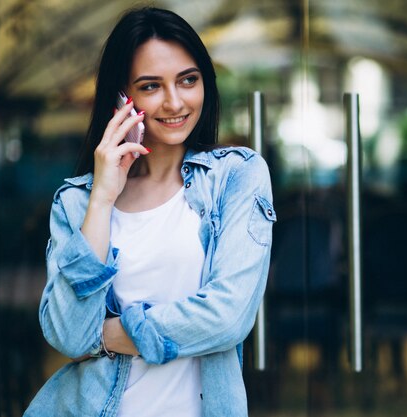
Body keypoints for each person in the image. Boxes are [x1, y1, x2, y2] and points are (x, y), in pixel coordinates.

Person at [24, 6, 276, 417]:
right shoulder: (77, 202)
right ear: (123, 98)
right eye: (151, 85)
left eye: (187, 80)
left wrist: (106, 335)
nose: (175, 101)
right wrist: (103, 198)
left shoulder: (236, 176)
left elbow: (228, 318)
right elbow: (70, 335)